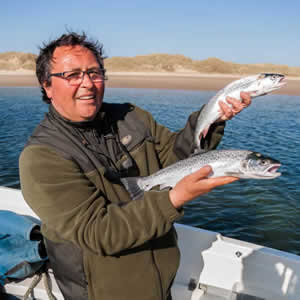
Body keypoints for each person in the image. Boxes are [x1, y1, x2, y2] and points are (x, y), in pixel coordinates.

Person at [19, 32, 251, 300]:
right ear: (47, 86)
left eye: (95, 73)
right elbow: (100, 232)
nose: (88, 84)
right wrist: (175, 198)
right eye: (72, 75)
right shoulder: (41, 157)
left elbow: (177, 158)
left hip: (160, 284)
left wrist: (212, 118)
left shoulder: (130, 117)